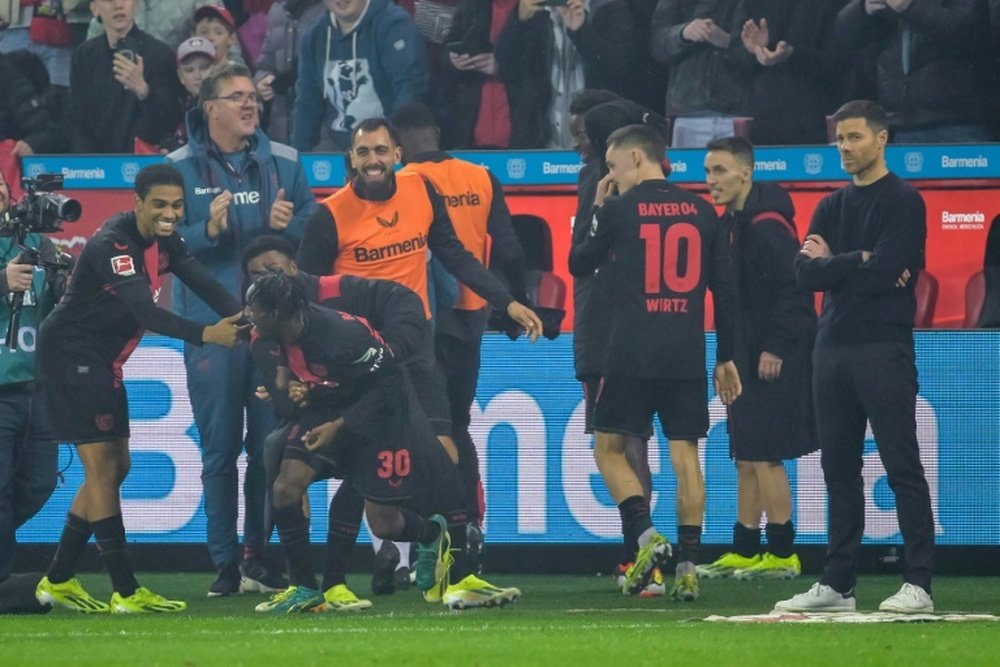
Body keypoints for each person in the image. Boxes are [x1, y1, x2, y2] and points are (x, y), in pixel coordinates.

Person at [33, 163, 246, 614]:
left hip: (102, 361)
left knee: (117, 466)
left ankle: (58, 578)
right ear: (137, 204)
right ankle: (126, 591)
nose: (169, 213)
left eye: (176, 205)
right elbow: (147, 315)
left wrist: (247, 318)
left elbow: (203, 281)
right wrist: (210, 335)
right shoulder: (115, 242)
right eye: (159, 205)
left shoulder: (163, 240)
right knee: (104, 470)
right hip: (73, 356)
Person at [245, 272, 522, 612]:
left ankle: (432, 535)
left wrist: (340, 425)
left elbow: (390, 383)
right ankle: (304, 589)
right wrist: (293, 393)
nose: (248, 315)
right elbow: (284, 402)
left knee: (384, 522)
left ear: (277, 314)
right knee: (286, 487)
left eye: (254, 309)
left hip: (379, 413)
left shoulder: (343, 335)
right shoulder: (261, 340)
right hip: (328, 406)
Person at [569, 124, 741, 602]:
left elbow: (579, 262)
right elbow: (725, 292)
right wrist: (726, 355)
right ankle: (687, 565)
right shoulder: (704, 211)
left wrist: (597, 208)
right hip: (686, 353)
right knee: (686, 459)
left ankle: (646, 536)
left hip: (629, 352)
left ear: (638, 160)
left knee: (610, 449)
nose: (611, 175)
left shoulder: (621, 208)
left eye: (613, 166)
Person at [776, 100, 934, 614]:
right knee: (837, 468)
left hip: (883, 345)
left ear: (882, 139)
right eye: (839, 138)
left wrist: (837, 265)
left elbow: (888, 268)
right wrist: (859, 263)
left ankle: (919, 584)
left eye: (855, 137)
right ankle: (839, 583)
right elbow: (803, 274)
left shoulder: (905, 201)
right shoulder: (829, 205)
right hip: (831, 346)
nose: (845, 147)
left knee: (901, 463)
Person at [167, 62, 316, 597]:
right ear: (210, 109)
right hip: (214, 330)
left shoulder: (286, 162)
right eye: (236, 97)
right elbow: (163, 242)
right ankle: (225, 564)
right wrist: (204, 231)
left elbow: (315, 229)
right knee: (220, 450)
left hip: (275, 331)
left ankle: (257, 556)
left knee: (270, 447)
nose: (249, 104)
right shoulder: (178, 168)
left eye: (253, 96)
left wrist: (287, 230)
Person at [391, 101, 528, 558]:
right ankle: (470, 521)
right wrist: (514, 304)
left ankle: (426, 532)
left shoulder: (405, 182)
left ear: (398, 145)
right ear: (434, 130)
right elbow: (508, 249)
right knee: (459, 424)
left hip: (423, 319)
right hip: (473, 316)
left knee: (421, 428)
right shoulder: (480, 176)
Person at [696, 137, 818, 581]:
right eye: (709, 172)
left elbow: (798, 290)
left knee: (766, 455)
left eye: (721, 171)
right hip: (746, 355)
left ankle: (783, 552)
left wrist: (776, 347)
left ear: (746, 172)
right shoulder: (734, 222)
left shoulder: (766, 227)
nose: (712, 181)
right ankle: (746, 549)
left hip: (771, 356)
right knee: (746, 454)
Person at [0, 169, 66, 599]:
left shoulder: (37, 246)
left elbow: (59, 305)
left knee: (39, 483)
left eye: (1, 189)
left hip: (36, 389)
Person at [835, 0, 995, 143]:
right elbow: (843, 34)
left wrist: (910, 6)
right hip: (897, 123)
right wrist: (863, 8)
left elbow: (965, 30)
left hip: (957, 119)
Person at [291, 0, 430, 152]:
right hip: (343, 152)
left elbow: (409, 88)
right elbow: (307, 103)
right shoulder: (314, 37)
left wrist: (393, 145)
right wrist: (296, 157)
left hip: (394, 148)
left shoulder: (395, 25)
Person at [69, 0, 182, 153]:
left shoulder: (159, 54)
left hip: (142, 161)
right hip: (95, 165)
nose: (118, 5)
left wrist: (144, 92)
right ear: (95, 8)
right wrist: (89, 163)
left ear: (135, 5)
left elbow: (171, 120)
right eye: (109, 0)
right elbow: (77, 118)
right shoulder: (83, 56)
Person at [650, 0, 751, 147]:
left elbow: (764, 48)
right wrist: (683, 33)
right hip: (688, 112)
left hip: (738, 113)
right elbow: (656, 44)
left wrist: (727, 41)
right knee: (687, 168)